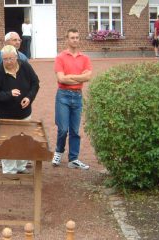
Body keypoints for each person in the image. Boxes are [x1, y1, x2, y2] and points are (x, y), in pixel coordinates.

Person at [0, 45, 40, 174]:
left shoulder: (25, 66)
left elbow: (35, 83)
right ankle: (9, 170)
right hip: (4, 116)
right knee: (7, 144)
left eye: (11, 58)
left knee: (24, 141)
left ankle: (21, 167)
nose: (8, 62)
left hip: (24, 114)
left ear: (16, 56)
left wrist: (29, 97)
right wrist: (8, 94)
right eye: (5, 59)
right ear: (1, 59)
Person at [52, 29, 92, 170]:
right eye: (72, 37)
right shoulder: (60, 57)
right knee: (63, 129)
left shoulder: (85, 58)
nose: (75, 40)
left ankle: (73, 158)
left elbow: (88, 77)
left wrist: (70, 77)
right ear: (67, 39)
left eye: (77, 37)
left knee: (75, 130)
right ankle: (59, 150)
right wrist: (78, 77)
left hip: (77, 96)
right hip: (63, 95)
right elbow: (61, 78)